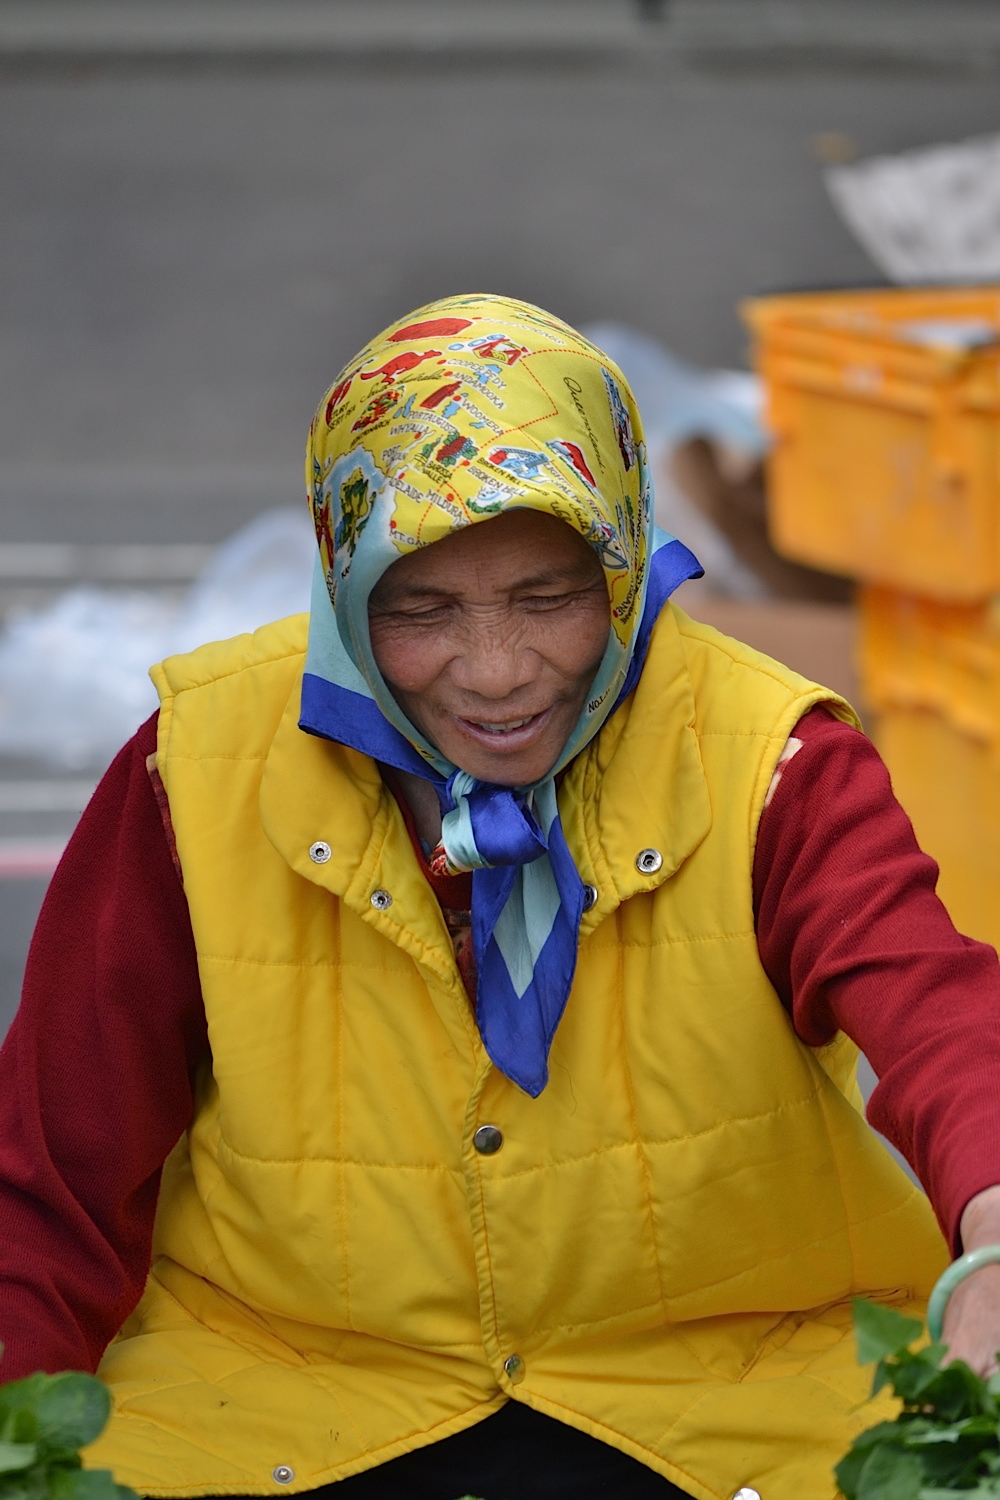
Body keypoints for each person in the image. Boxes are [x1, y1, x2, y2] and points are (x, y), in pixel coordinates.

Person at [2, 293, 1000, 1500]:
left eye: (548, 598)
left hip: (730, 1394)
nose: (495, 674)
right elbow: (50, 1177)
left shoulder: (768, 757)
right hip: (284, 1391)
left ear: (626, 563)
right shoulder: (195, 765)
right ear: (340, 584)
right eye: (418, 608)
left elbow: (940, 1012)